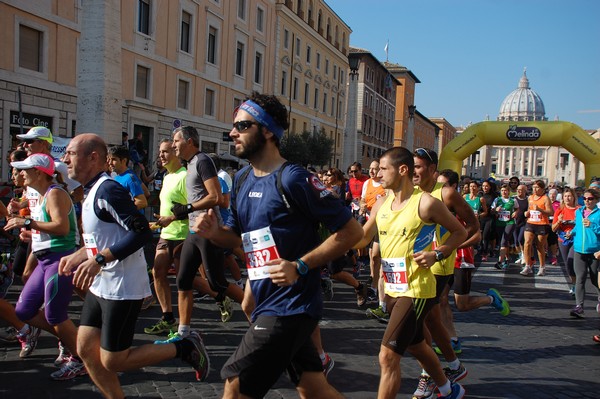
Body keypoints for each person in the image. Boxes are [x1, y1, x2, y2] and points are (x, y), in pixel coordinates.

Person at [193, 92, 362, 398]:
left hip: (292, 306)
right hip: (264, 300)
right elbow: (237, 238)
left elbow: (352, 232)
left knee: (236, 385)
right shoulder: (242, 179)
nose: (233, 132)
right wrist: (214, 233)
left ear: (267, 130)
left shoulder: (294, 179)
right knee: (314, 389)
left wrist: (300, 265)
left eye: (242, 126)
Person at [59, 133, 209, 398]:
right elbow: (106, 237)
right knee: (84, 350)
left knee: (114, 360)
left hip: (122, 286)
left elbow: (140, 234)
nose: (64, 158)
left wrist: (99, 259)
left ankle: (184, 347)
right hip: (100, 284)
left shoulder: (108, 189)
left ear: (93, 157)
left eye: (70, 153)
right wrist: (83, 254)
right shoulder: (92, 190)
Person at [352, 146, 467, 399]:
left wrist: (437, 253)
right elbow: (361, 239)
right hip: (392, 289)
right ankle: (450, 389)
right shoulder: (381, 203)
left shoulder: (426, 203)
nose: (378, 174)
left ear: (402, 170)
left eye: (383, 169)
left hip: (415, 289)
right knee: (417, 345)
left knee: (387, 356)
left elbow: (460, 232)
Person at [5, 153, 84, 380]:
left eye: (24, 170)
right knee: (24, 311)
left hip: (60, 259)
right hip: (44, 259)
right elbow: (50, 227)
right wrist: (32, 234)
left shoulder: (55, 193)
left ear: (39, 172)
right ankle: (72, 340)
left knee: (55, 314)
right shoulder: (39, 195)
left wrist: (27, 222)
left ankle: (82, 358)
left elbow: (61, 228)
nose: (20, 174)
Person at [411, 149, 482, 398]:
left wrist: (449, 249)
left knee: (417, 322)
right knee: (431, 318)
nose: (413, 171)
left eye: (418, 166)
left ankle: (429, 376)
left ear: (433, 169)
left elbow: (473, 226)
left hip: (439, 264)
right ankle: (454, 366)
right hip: (417, 264)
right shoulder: (412, 193)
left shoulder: (447, 193)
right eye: (412, 166)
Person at [163, 126, 242, 344]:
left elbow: (216, 196)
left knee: (218, 283)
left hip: (208, 231)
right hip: (193, 231)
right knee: (183, 279)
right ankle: (183, 330)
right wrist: (178, 214)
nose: (173, 145)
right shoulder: (188, 165)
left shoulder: (202, 160)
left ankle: (256, 313)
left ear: (189, 141)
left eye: (176, 140)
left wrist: (187, 208)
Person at [143, 139, 187, 335]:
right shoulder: (167, 177)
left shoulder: (186, 176)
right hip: (166, 233)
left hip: (183, 235)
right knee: (157, 272)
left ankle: (221, 294)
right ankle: (167, 317)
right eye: (160, 152)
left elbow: (196, 206)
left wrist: (173, 217)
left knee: (184, 280)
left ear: (176, 153)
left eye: (166, 151)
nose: (161, 155)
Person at [569, 188, 600, 318]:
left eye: (590, 199)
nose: (587, 201)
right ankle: (579, 307)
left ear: (596, 200)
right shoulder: (579, 211)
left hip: (594, 252)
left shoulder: (598, 214)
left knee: (595, 280)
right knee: (580, 278)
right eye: (585, 198)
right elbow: (577, 226)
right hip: (579, 250)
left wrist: (592, 225)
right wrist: (571, 233)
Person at [521, 180, 553, 276]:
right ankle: (527, 266)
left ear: (542, 189)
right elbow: (529, 210)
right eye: (534, 187)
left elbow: (551, 212)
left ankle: (542, 267)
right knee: (527, 243)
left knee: (539, 246)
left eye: (537, 187)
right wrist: (526, 213)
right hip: (530, 222)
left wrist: (539, 210)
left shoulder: (545, 198)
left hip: (542, 224)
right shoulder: (530, 197)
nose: (535, 189)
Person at [552, 187, 578, 296]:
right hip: (562, 239)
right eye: (565, 196)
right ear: (563, 198)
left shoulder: (579, 209)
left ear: (573, 197)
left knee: (572, 260)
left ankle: (577, 285)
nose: (567, 198)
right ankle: (574, 283)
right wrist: (559, 221)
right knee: (567, 263)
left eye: (569, 196)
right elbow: (553, 228)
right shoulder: (560, 210)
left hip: (576, 239)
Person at [108, 146, 148, 211]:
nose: (110, 163)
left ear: (124, 161)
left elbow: (142, 202)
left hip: (131, 220)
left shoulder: (130, 178)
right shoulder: (116, 177)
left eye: (114, 159)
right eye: (109, 159)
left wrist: (123, 212)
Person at [491, 184, 519, 269]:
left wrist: (516, 213)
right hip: (500, 223)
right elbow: (492, 210)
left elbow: (517, 208)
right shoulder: (497, 200)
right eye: (502, 190)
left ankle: (499, 262)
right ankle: (507, 258)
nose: (504, 192)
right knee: (504, 241)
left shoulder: (513, 200)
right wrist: (496, 210)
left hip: (510, 223)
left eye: (506, 190)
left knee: (503, 241)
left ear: (509, 192)